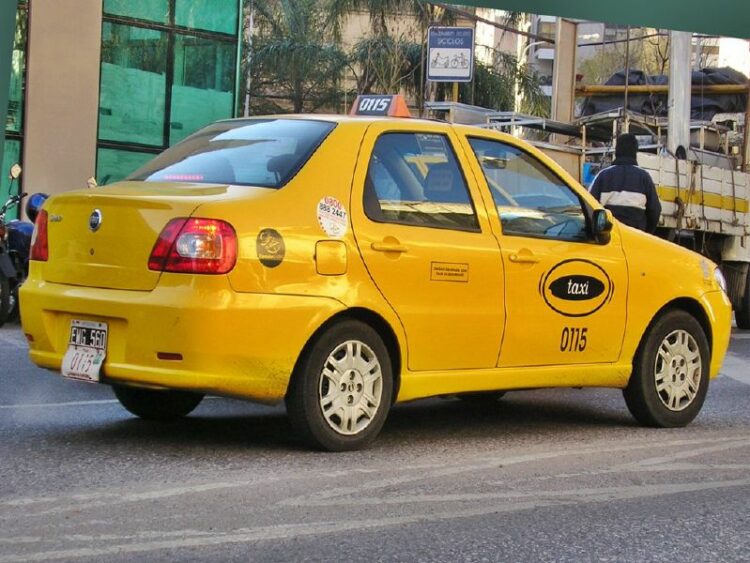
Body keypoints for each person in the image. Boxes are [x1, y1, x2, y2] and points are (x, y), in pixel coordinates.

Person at [589, 133, 662, 233]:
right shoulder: (644, 177)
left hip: (608, 237)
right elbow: (655, 210)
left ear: (617, 150)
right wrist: (647, 233)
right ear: (635, 152)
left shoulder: (603, 176)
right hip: (636, 237)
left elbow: (589, 205)